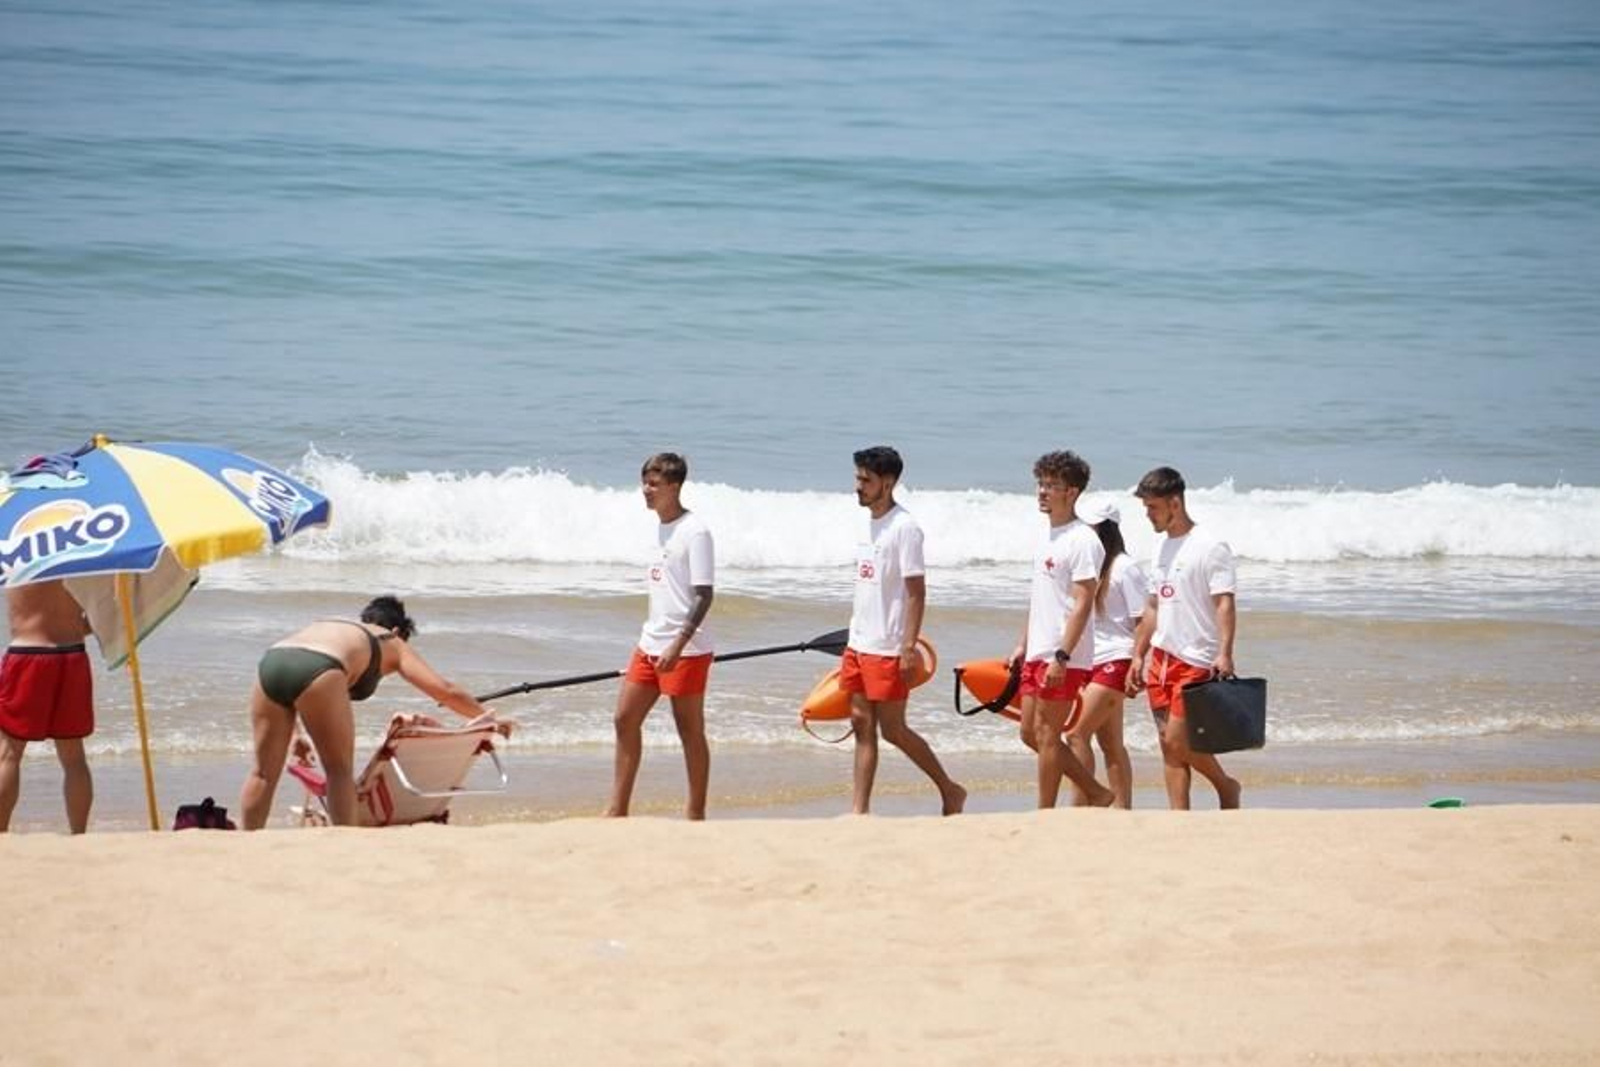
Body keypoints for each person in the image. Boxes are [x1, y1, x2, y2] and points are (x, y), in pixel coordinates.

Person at [239, 595, 496, 829]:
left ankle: (248, 842)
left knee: (262, 773)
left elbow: (297, 666)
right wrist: (487, 718)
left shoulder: (338, 628)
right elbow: (444, 691)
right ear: (397, 630)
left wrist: (296, 735)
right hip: (322, 667)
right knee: (338, 771)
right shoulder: (392, 641)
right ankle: (345, 843)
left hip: (272, 661)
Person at [842, 446, 965, 816]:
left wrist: (908, 646)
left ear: (889, 482)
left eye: (866, 480)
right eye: (858, 478)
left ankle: (950, 788)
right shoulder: (870, 524)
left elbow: (916, 591)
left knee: (892, 729)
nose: (858, 486)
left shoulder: (905, 528)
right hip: (859, 643)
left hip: (888, 646)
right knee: (861, 724)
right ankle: (859, 810)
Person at [608, 453, 715, 820]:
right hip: (649, 643)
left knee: (689, 731)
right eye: (644, 482)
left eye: (654, 484)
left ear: (675, 486)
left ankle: (695, 813)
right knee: (624, 720)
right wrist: (656, 642)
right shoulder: (658, 528)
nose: (646, 490)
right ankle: (617, 809)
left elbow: (704, 595)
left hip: (685, 650)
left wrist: (677, 644)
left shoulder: (695, 531)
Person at [1128, 467, 1243, 810]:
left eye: (1153, 507)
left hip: (1196, 658)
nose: (1148, 515)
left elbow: (1224, 602)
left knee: (1179, 740)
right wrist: (1138, 654)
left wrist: (1225, 652)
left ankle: (1226, 786)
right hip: (1162, 658)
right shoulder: (1162, 546)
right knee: (1167, 744)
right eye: (1146, 508)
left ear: (1174, 503)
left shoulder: (1210, 547)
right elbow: (1152, 606)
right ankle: (1179, 818)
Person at [1009, 452, 1115, 809]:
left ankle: (1045, 811)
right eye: (1041, 483)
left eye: (1051, 485)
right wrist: (1023, 643)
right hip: (1038, 649)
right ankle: (1097, 792)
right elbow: (1042, 598)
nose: (1042, 491)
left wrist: (1062, 656)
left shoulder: (1083, 540)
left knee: (1049, 735)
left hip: (1064, 653)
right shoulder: (1048, 536)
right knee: (1030, 733)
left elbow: (1083, 601)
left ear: (1071, 492)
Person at [1066, 497, 1143, 809]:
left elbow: (1143, 621)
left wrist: (1141, 664)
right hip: (1091, 661)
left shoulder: (1126, 568)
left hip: (1118, 659)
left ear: (1105, 529)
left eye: (1090, 526)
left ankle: (1082, 804)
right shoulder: (1090, 568)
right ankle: (1123, 809)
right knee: (1110, 743)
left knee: (1075, 734)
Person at [0, 581, 94, 833]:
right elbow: (102, 614)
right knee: (74, 758)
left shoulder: (11, 549)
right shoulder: (78, 549)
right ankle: (79, 834)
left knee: (9, 754)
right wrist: (70, 626)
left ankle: (1, 835)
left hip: (26, 654)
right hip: (72, 654)